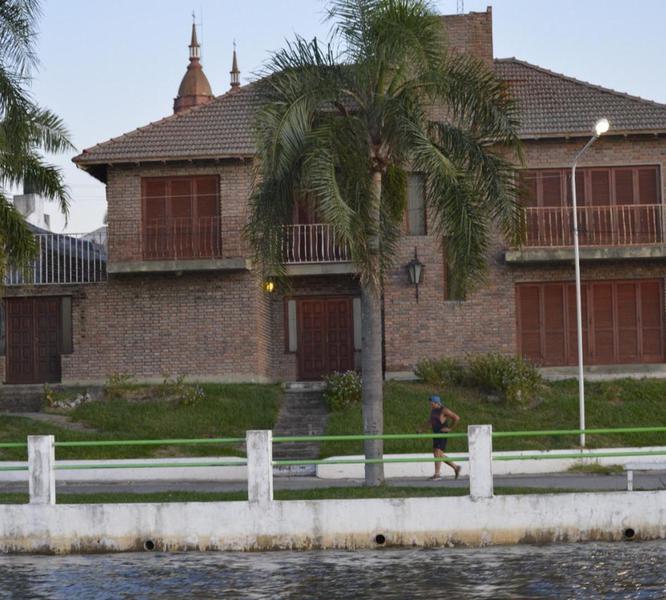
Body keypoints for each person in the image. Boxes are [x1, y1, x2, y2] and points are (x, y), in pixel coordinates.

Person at [420, 395, 461, 480]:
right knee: (437, 454)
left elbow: (456, 418)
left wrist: (450, 428)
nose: (430, 404)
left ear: (436, 403)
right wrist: (422, 429)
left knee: (438, 453)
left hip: (442, 433)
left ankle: (437, 474)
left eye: (431, 402)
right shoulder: (433, 410)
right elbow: (431, 421)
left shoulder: (444, 410)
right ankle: (456, 467)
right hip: (436, 433)